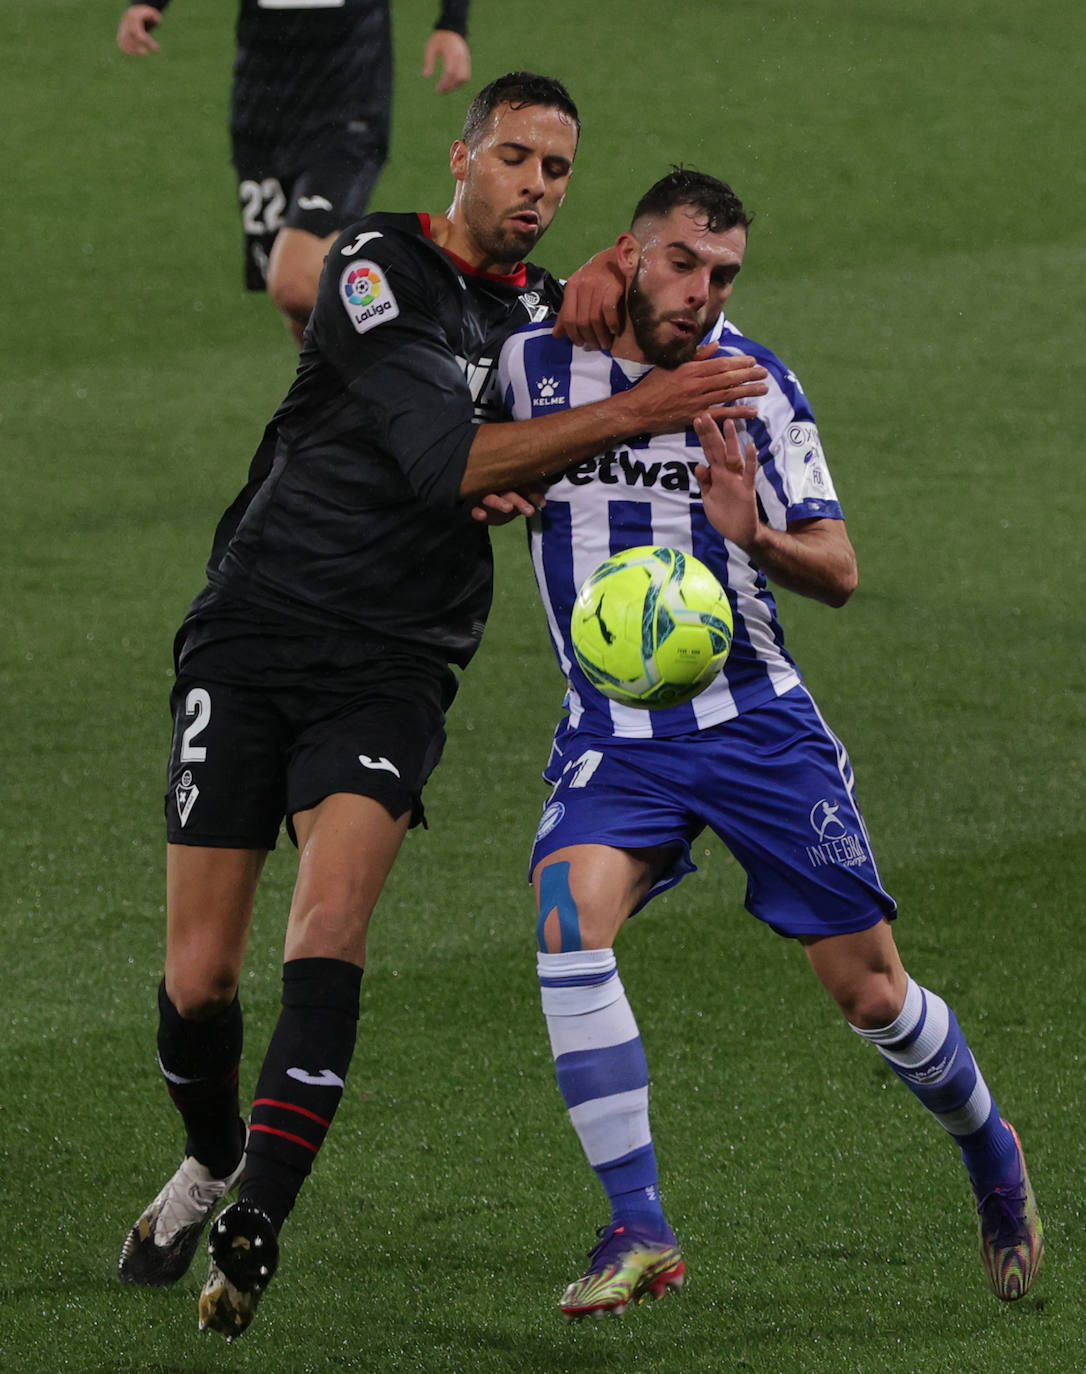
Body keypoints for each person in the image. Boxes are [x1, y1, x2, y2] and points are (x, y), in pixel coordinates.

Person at [115, 78, 770, 1342]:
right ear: (461, 158)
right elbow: (444, 462)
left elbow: (654, 307)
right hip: (255, 628)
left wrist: (612, 276)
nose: (534, 185)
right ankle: (211, 1156)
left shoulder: (541, 305)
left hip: (398, 659)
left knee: (332, 924)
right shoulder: (379, 265)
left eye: (559, 171)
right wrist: (635, 409)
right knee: (199, 981)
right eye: (514, 158)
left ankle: (262, 1219)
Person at [497, 169, 1044, 1321]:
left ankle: (989, 1148)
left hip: (754, 726)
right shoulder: (533, 358)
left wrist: (756, 534)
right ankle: (640, 1226)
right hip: (614, 731)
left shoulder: (753, 386)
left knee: (871, 994)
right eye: (684, 262)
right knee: (563, 924)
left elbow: (839, 570)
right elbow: (455, 436)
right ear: (632, 253)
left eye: (725, 273)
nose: (703, 292)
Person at [117, 0, 473, 343]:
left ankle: (430, 354)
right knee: (303, 313)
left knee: (295, 283)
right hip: (262, 115)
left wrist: (451, 24)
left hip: (347, 108)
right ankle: (341, 403)